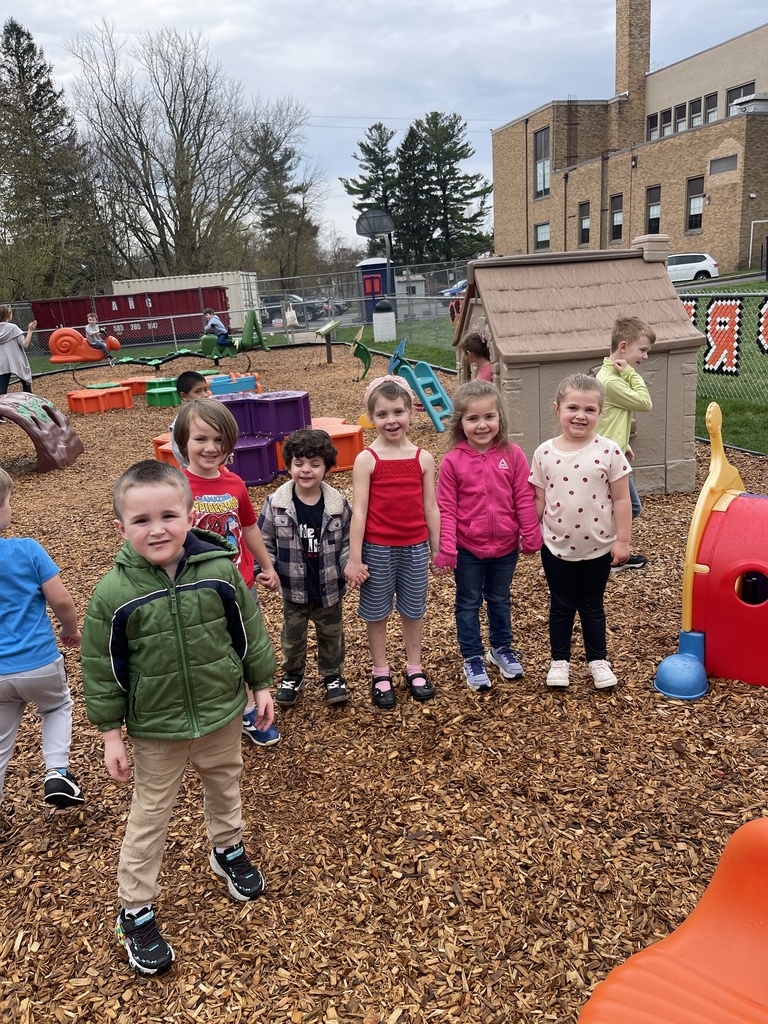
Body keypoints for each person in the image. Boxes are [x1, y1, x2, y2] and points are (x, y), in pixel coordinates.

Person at [81, 461, 276, 977]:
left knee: (225, 783)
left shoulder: (219, 572)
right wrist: (109, 733)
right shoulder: (113, 595)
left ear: (190, 516)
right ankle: (135, 909)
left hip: (220, 712)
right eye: (141, 520)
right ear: (121, 528)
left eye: (169, 515)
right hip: (155, 729)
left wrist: (260, 684)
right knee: (149, 817)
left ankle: (227, 848)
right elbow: (102, 669)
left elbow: (249, 630)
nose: (158, 528)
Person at [173, 399, 280, 746]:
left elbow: (249, 528)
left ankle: (249, 709)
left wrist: (266, 565)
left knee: (244, 643)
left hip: (238, 583)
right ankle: (211, 707)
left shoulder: (235, 483)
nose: (210, 448)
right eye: (201, 439)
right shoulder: (176, 487)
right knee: (204, 648)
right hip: (194, 586)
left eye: (219, 440)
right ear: (183, 442)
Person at [433, 381, 541, 692]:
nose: (482, 425)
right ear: (460, 422)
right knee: (467, 603)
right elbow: (447, 508)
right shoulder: (454, 460)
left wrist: (530, 533)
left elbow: (523, 497)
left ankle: (501, 649)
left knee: (499, 599)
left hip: (505, 547)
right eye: (473, 419)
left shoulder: (514, 454)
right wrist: (447, 549)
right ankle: (472, 656)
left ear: (500, 418)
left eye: (489, 417)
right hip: (468, 548)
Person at [529, 374, 632, 690]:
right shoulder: (544, 452)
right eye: (572, 407)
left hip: (598, 548)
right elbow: (539, 498)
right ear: (557, 408)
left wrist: (623, 540)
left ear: (600, 413)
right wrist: (530, 532)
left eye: (589, 409)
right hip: (556, 546)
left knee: (591, 605)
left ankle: (597, 660)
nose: (580, 415)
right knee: (560, 605)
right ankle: (559, 661)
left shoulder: (609, 451)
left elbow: (622, 498)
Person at [344, 375, 440, 709]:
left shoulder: (422, 458)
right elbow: (359, 512)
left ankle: (415, 668)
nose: (391, 420)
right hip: (377, 549)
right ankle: (380, 671)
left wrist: (437, 549)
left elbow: (430, 507)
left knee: (413, 611)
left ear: (412, 412)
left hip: (414, 548)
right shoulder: (367, 459)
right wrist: (354, 558)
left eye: (398, 412)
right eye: (382, 414)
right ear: (371, 417)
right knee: (377, 613)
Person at [0, 468, 84, 811]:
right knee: (56, 706)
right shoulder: (27, 551)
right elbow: (61, 600)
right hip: (39, 661)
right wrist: (70, 630)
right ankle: (57, 772)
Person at [259, 428, 361, 708]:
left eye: (315, 464)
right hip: (294, 589)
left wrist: (348, 566)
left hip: (328, 587)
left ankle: (332, 676)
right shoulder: (277, 505)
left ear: (327, 468)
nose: (306, 470)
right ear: (289, 465)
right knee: (292, 638)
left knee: (332, 636)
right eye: (299, 463)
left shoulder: (337, 505)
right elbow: (263, 539)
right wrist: (265, 568)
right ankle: (292, 675)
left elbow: (346, 543)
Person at [596, 316, 655, 572]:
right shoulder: (612, 381)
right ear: (623, 347)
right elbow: (644, 403)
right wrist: (629, 371)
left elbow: (611, 420)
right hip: (606, 459)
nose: (645, 356)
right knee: (629, 507)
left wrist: (624, 444)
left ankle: (607, 554)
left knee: (621, 507)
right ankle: (606, 556)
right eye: (642, 350)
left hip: (613, 453)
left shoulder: (611, 377)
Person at [169, 371, 210, 468]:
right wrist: (191, 466)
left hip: (212, 465)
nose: (204, 395)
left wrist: (228, 453)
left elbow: (223, 434)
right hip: (193, 470)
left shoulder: (211, 414)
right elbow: (178, 449)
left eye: (205, 390)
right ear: (184, 396)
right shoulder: (181, 421)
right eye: (198, 392)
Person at [0, 304, 36, 396]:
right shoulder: (13, 328)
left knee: (1, 391)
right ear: (8, 314)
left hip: (2, 364)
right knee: (27, 387)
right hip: (16, 361)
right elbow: (25, 344)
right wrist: (30, 330)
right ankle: (28, 407)